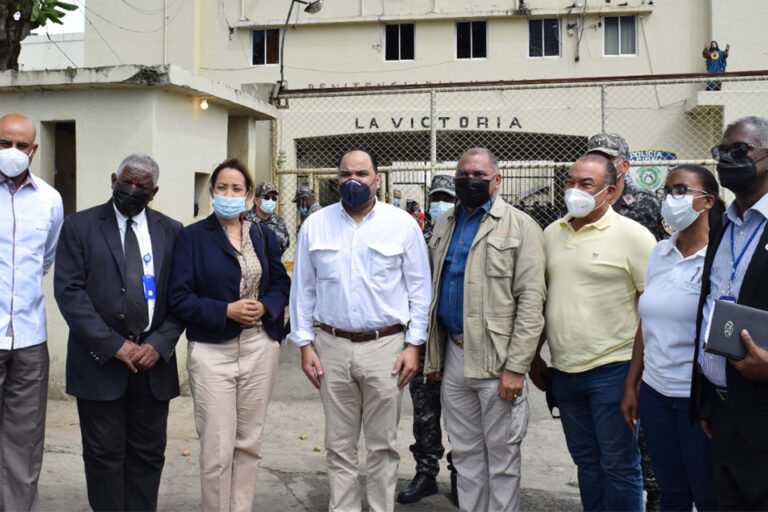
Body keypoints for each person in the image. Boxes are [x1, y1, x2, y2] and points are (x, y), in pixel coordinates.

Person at [289, 149, 431, 512]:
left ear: (377, 179)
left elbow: (419, 289)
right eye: (345, 174)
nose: (353, 180)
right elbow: (303, 289)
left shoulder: (402, 225)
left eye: (362, 173)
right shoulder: (315, 225)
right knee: (339, 445)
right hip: (331, 347)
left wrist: (414, 345)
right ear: (337, 179)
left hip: (386, 347)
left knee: (383, 445)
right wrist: (305, 343)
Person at [54, 153, 183, 511]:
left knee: (147, 456)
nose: (132, 190)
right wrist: (114, 346)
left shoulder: (171, 231)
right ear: (113, 179)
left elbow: (180, 296)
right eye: (127, 181)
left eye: (142, 186)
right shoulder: (79, 226)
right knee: (103, 457)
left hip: (152, 363)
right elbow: (69, 292)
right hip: (100, 363)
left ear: (153, 193)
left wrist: (159, 343)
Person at [531, 153, 656, 511]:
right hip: (565, 373)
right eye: (570, 182)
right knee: (587, 463)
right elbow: (545, 298)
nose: (573, 190)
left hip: (613, 371)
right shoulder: (553, 233)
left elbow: (652, 311)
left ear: (611, 192)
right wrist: (535, 354)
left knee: (619, 465)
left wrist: (634, 378)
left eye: (585, 184)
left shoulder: (634, 237)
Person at [424, 148, 547, 512]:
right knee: (465, 456)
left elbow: (531, 302)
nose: (468, 180)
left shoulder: (522, 226)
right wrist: (434, 354)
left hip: (498, 361)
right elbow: (434, 290)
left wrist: (516, 368)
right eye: (462, 174)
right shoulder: (445, 223)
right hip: (455, 355)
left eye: (478, 174)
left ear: (497, 180)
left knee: (502, 458)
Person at [168, 158, 290, 512]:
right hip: (212, 351)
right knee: (217, 448)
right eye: (222, 187)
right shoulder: (192, 237)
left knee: (248, 443)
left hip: (258, 348)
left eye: (237, 189)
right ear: (211, 192)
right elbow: (179, 297)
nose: (228, 194)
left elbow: (281, 282)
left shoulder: (262, 235)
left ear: (249, 195)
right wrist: (225, 311)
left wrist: (267, 306)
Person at [621, 165, 723, 511]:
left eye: (681, 190)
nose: (669, 199)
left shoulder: (719, 258)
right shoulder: (660, 252)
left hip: (696, 397)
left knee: (708, 494)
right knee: (671, 491)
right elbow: (645, 323)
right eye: (667, 190)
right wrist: (633, 384)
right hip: (655, 394)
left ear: (708, 201)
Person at [690, 116, 768, 509]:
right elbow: (709, 308)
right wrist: (707, 400)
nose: (727, 159)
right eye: (721, 152)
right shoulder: (723, 226)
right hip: (722, 414)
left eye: (740, 151)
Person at [587, 131, 663, 510]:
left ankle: (658, 496)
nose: (603, 163)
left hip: (643, 331)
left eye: (610, 158)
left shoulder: (649, 205)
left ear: (625, 165)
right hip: (600, 336)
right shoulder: (582, 202)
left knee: (645, 429)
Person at [0, 113, 63, 511]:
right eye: (5, 142)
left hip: (28, 339)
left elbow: (46, 260)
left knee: (24, 443)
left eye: (22, 145)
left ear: (34, 150)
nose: (13, 151)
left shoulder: (50, 200)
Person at [398, 174, 457, 506]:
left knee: (460, 412)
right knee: (424, 409)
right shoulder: (416, 236)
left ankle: (461, 471)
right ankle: (426, 472)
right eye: (436, 197)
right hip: (421, 335)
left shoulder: (465, 234)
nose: (440, 204)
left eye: (446, 198)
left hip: (457, 338)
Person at [244, 181, 290, 255]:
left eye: (274, 198)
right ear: (255, 200)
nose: (270, 201)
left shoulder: (279, 221)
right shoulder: (244, 219)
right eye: (266, 197)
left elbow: (284, 245)